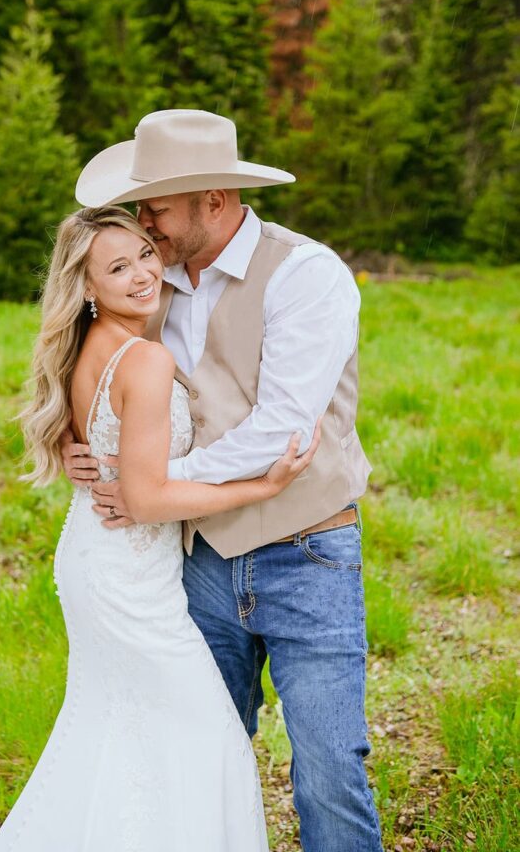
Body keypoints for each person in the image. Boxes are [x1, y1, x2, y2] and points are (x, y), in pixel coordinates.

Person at [63, 109, 384, 852]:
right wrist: (86, 452)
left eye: (156, 208)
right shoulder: (149, 281)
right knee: (197, 749)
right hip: (196, 555)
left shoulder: (305, 274)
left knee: (330, 768)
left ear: (213, 199)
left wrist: (148, 480)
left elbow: (280, 433)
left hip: (306, 552)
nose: (144, 226)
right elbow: (104, 379)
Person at [0, 204, 320, 852]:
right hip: (126, 575)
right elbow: (144, 498)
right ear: (86, 288)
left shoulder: (87, 347)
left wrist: (72, 451)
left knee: (117, 732)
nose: (142, 273)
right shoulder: (144, 359)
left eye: (143, 252)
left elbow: (102, 444)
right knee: (205, 739)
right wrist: (265, 485)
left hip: (98, 556)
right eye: (117, 267)